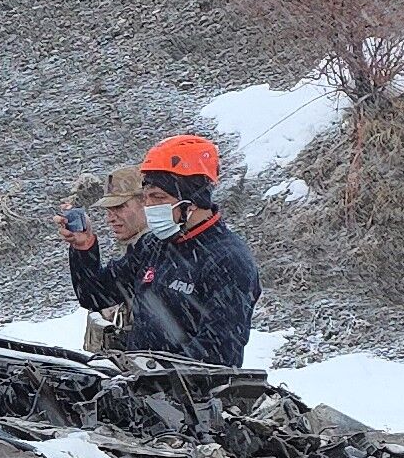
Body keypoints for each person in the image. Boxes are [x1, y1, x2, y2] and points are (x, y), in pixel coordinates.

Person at [65, 134, 260, 367]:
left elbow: (216, 357)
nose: (149, 206)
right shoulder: (154, 245)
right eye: (146, 198)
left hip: (181, 389)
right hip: (140, 382)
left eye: (158, 197)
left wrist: (152, 373)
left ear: (193, 201)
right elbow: (95, 295)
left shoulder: (228, 260)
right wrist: (84, 248)